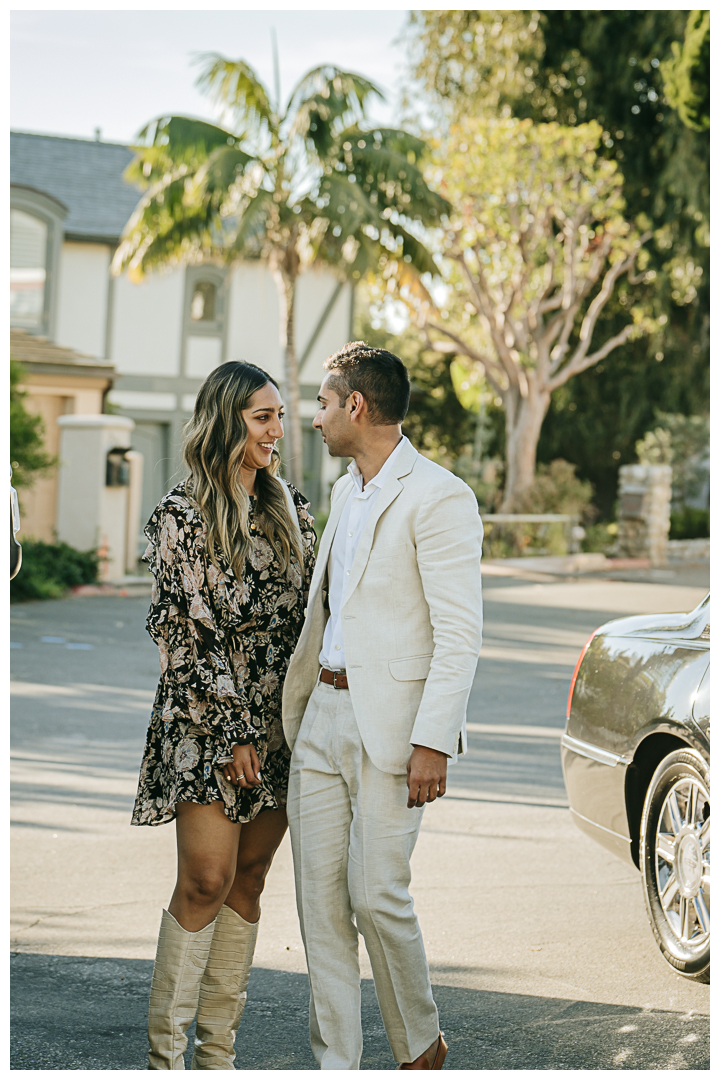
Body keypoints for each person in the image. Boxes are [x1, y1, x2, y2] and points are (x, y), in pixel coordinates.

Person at [282, 342, 483, 1070]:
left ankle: (418, 1043)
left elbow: (460, 632)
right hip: (320, 720)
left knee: (375, 897)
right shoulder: (344, 491)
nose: (315, 419)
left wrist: (434, 739)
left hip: (393, 731)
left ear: (355, 406)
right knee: (320, 910)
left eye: (323, 403)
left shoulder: (439, 495)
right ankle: (337, 1063)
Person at [132, 361, 316, 1069]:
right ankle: (166, 1059)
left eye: (280, 416)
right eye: (262, 417)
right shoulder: (179, 515)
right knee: (205, 880)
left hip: (280, 723)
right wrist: (232, 731)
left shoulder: (291, 509)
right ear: (226, 421)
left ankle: (217, 1058)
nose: (277, 430)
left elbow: (307, 618)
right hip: (205, 721)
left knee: (249, 878)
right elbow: (186, 631)